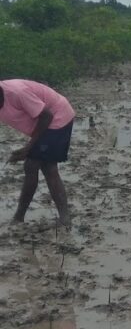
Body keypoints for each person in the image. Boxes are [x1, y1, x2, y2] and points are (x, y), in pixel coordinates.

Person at [0, 80, 75, 226]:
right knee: (40, 166)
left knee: (37, 165)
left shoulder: (17, 93)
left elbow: (47, 116)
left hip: (57, 116)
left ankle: (20, 217)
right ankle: (21, 217)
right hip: (43, 123)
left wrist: (28, 148)